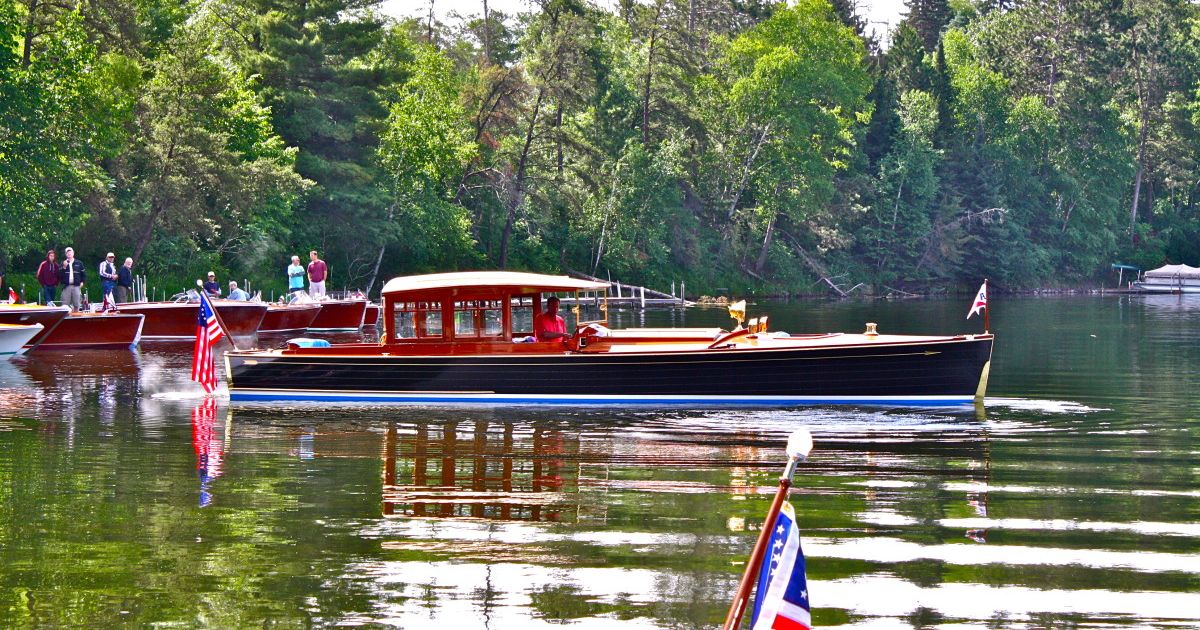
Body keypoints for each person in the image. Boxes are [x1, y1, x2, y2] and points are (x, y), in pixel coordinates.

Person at [58, 246, 86, 312]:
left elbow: (83, 274)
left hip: (76, 286)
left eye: (70, 252)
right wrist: (64, 267)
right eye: (67, 252)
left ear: (73, 253)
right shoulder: (62, 263)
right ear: (66, 254)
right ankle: (66, 317)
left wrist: (82, 282)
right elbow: (59, 276)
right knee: (64, 305)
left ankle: (76, 316)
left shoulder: (79, 263)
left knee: (77, 304)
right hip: (66, 286)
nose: (69, 253)